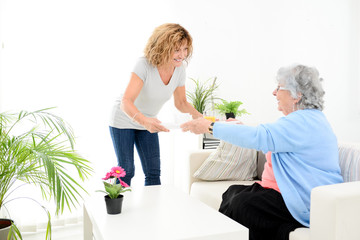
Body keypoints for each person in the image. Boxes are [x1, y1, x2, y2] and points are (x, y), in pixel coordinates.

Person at [180, 64, 343, 240]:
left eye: (279, 87)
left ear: (298, 95)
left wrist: (210, 126)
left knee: (241, 205)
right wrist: (239, 128)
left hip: (300, 200)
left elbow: (260, 136)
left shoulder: (304, 122)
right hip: (283, 194)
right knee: (232, 193)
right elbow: (269, 140)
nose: (274, 92)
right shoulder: (304, 120)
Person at [109, 23, 202, 186]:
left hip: (148, 122)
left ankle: (151, 210)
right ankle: (117, 210)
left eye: (185, 49)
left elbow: (181, 103)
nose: (182, 55)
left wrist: (202, 119)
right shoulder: (144, 64)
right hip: (124, 119)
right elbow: (126, 101)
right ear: (163, 47)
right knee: (127, 170)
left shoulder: (179, 69)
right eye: (176, 49)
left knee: (153, 172)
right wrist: (144, 121)